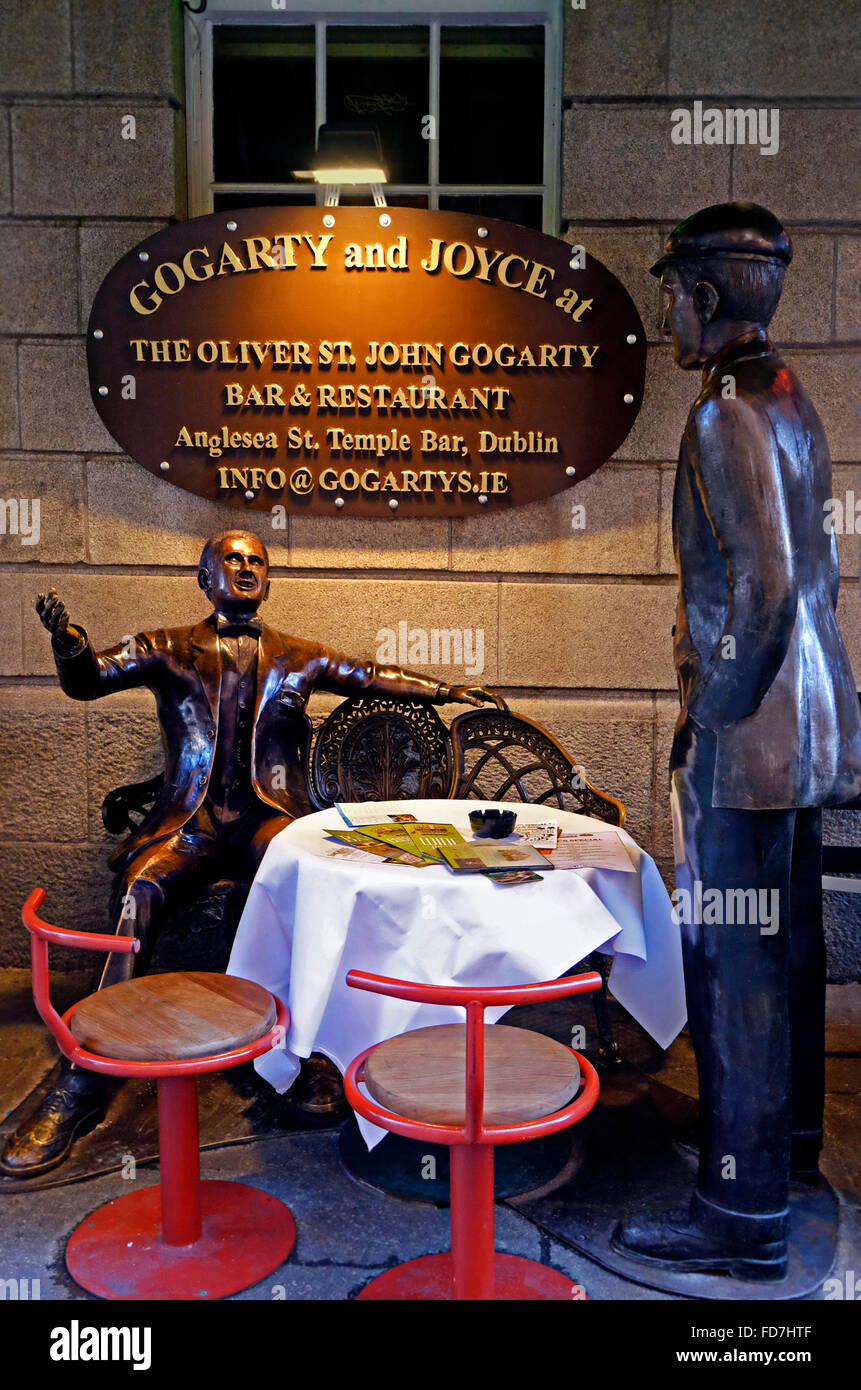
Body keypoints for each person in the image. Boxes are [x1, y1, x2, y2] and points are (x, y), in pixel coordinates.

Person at [1, 529, 494, 1177]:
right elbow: (90, 680)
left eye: (255, 560)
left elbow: (369, 677)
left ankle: (300, 1052)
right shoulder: (167, 647)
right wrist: (70, 648)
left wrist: (447, 691)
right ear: (205, 578)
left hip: (269, 821)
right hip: (191, 824)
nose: (244, 568)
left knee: (303, 888)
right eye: (229, 560)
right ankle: (86, 1072)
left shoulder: (298, 655)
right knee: (142, 892)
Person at [612, 203, 861, 1281]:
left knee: (735, 971)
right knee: (789, 956)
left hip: (747, 743)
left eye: (674, 289)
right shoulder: (794, 398)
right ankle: (787, 1158)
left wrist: (706, 724)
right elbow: (821, 576)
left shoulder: (721, 416)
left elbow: (761, 591)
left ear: (707, 297)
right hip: (806, 732)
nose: (668, 308)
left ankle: (737, 1208)